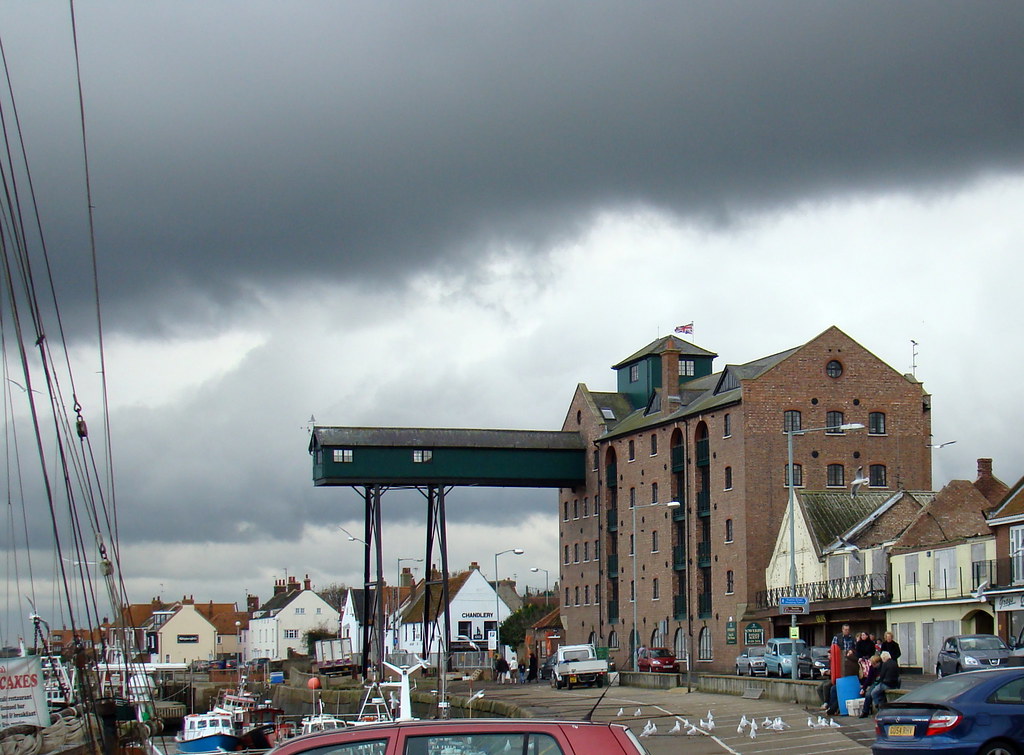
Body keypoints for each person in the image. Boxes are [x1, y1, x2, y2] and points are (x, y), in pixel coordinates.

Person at [862, 651, 900, 718]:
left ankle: (878, 706)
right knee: (871, 694)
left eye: (873, 664)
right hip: (891, 684)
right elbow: (898, 675)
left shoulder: (884, 665)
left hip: (884, 683)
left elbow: (881, 676)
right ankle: (868, 710)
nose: (872, 665)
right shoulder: (894, 663)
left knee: (873, 693)